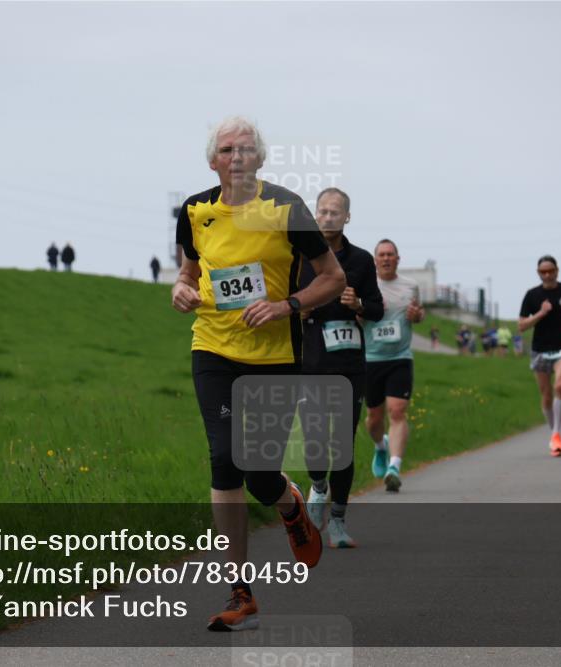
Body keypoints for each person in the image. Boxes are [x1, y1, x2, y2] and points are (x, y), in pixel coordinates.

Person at [172, 117, 346, 631]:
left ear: (261, 158)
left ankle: (290, 504)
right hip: (214, 351)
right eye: (227, 149)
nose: (237, 157)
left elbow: (332, 279)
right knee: (225, 458)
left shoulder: (286, 208)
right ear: (213, 161)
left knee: (259, 473)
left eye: (246, 149)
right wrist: (180, 292)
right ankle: (240, 592)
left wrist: (286, 305)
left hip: (275, 358)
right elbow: (187, 275)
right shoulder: (195, 211)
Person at [299, 187, 383, 548]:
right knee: (315, 436)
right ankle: (318, 486)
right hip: (311, 357)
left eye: (335, 212)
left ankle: (338, 523)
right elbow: (283, 299)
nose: (328, 216)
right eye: (323, 211)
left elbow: (378, 309)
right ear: (315, 215)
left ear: (347, 217)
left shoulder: (361, 260)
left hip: (349, 361)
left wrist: (358, 302)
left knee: (342, 442)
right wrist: (297, 309)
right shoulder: (300, 256)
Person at [364, 239, 424, 492]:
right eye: (382, 255)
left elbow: (419, 314)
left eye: (391, 254)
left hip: (400, 357)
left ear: (398, 259)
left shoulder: (411, 286)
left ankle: (395, 468)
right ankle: (380, 447)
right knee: (374, 418)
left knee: (397, 411)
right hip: (370, 359)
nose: (386, 258)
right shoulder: (365, 286)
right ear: (375, 260)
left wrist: (417, 316)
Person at [518, 255, 561, 457]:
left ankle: (556, 434)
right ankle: (553, 432)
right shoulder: (532, 295)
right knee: (546, 396)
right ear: (539, 273)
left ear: (557, 270)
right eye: (542, 272)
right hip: (540, 350)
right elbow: (521, 326)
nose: (547, 274)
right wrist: (541, 313)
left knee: (560, 385)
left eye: (550, 271)